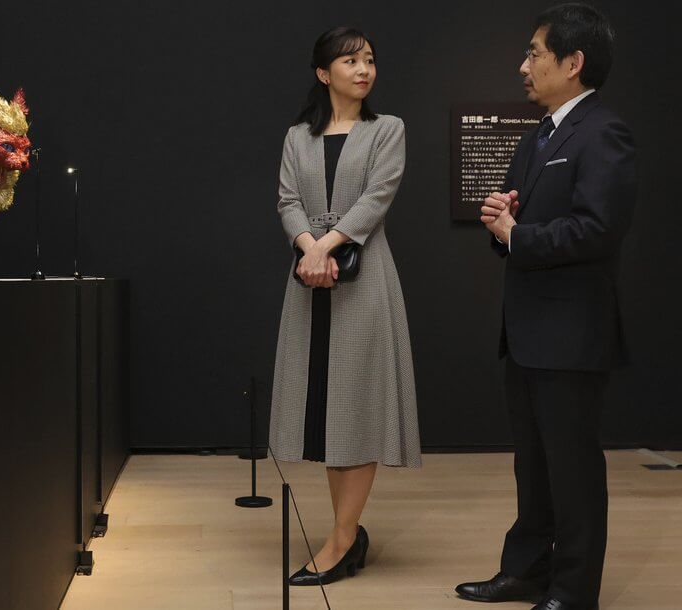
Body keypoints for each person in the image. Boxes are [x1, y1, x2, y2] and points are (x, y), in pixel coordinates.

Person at [457, 4, 636, 610]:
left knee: (573, 472)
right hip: (529, 329)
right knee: (533, 467)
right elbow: (519, 221)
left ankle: (573, 591)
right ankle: (526, 571)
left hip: (571, 332)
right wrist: (500, 220)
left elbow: (597, 229)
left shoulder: (603, 132)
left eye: (535, 53)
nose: (523, 65)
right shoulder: (541, 135)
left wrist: (516, 234)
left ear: (573, 62)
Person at [267, 26, 421, 587]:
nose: (364, 69)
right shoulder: (296, 137)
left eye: (370, 60)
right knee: (326, 410)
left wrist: (327, 245)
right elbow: (287, 199)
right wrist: (308, 249)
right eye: (351, 60)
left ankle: (340, 539)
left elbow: (378, 196)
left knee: (356, 406)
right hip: (310, 280)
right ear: (322, 73)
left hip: (365, 279)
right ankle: (347, 531)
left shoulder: (388, 130)